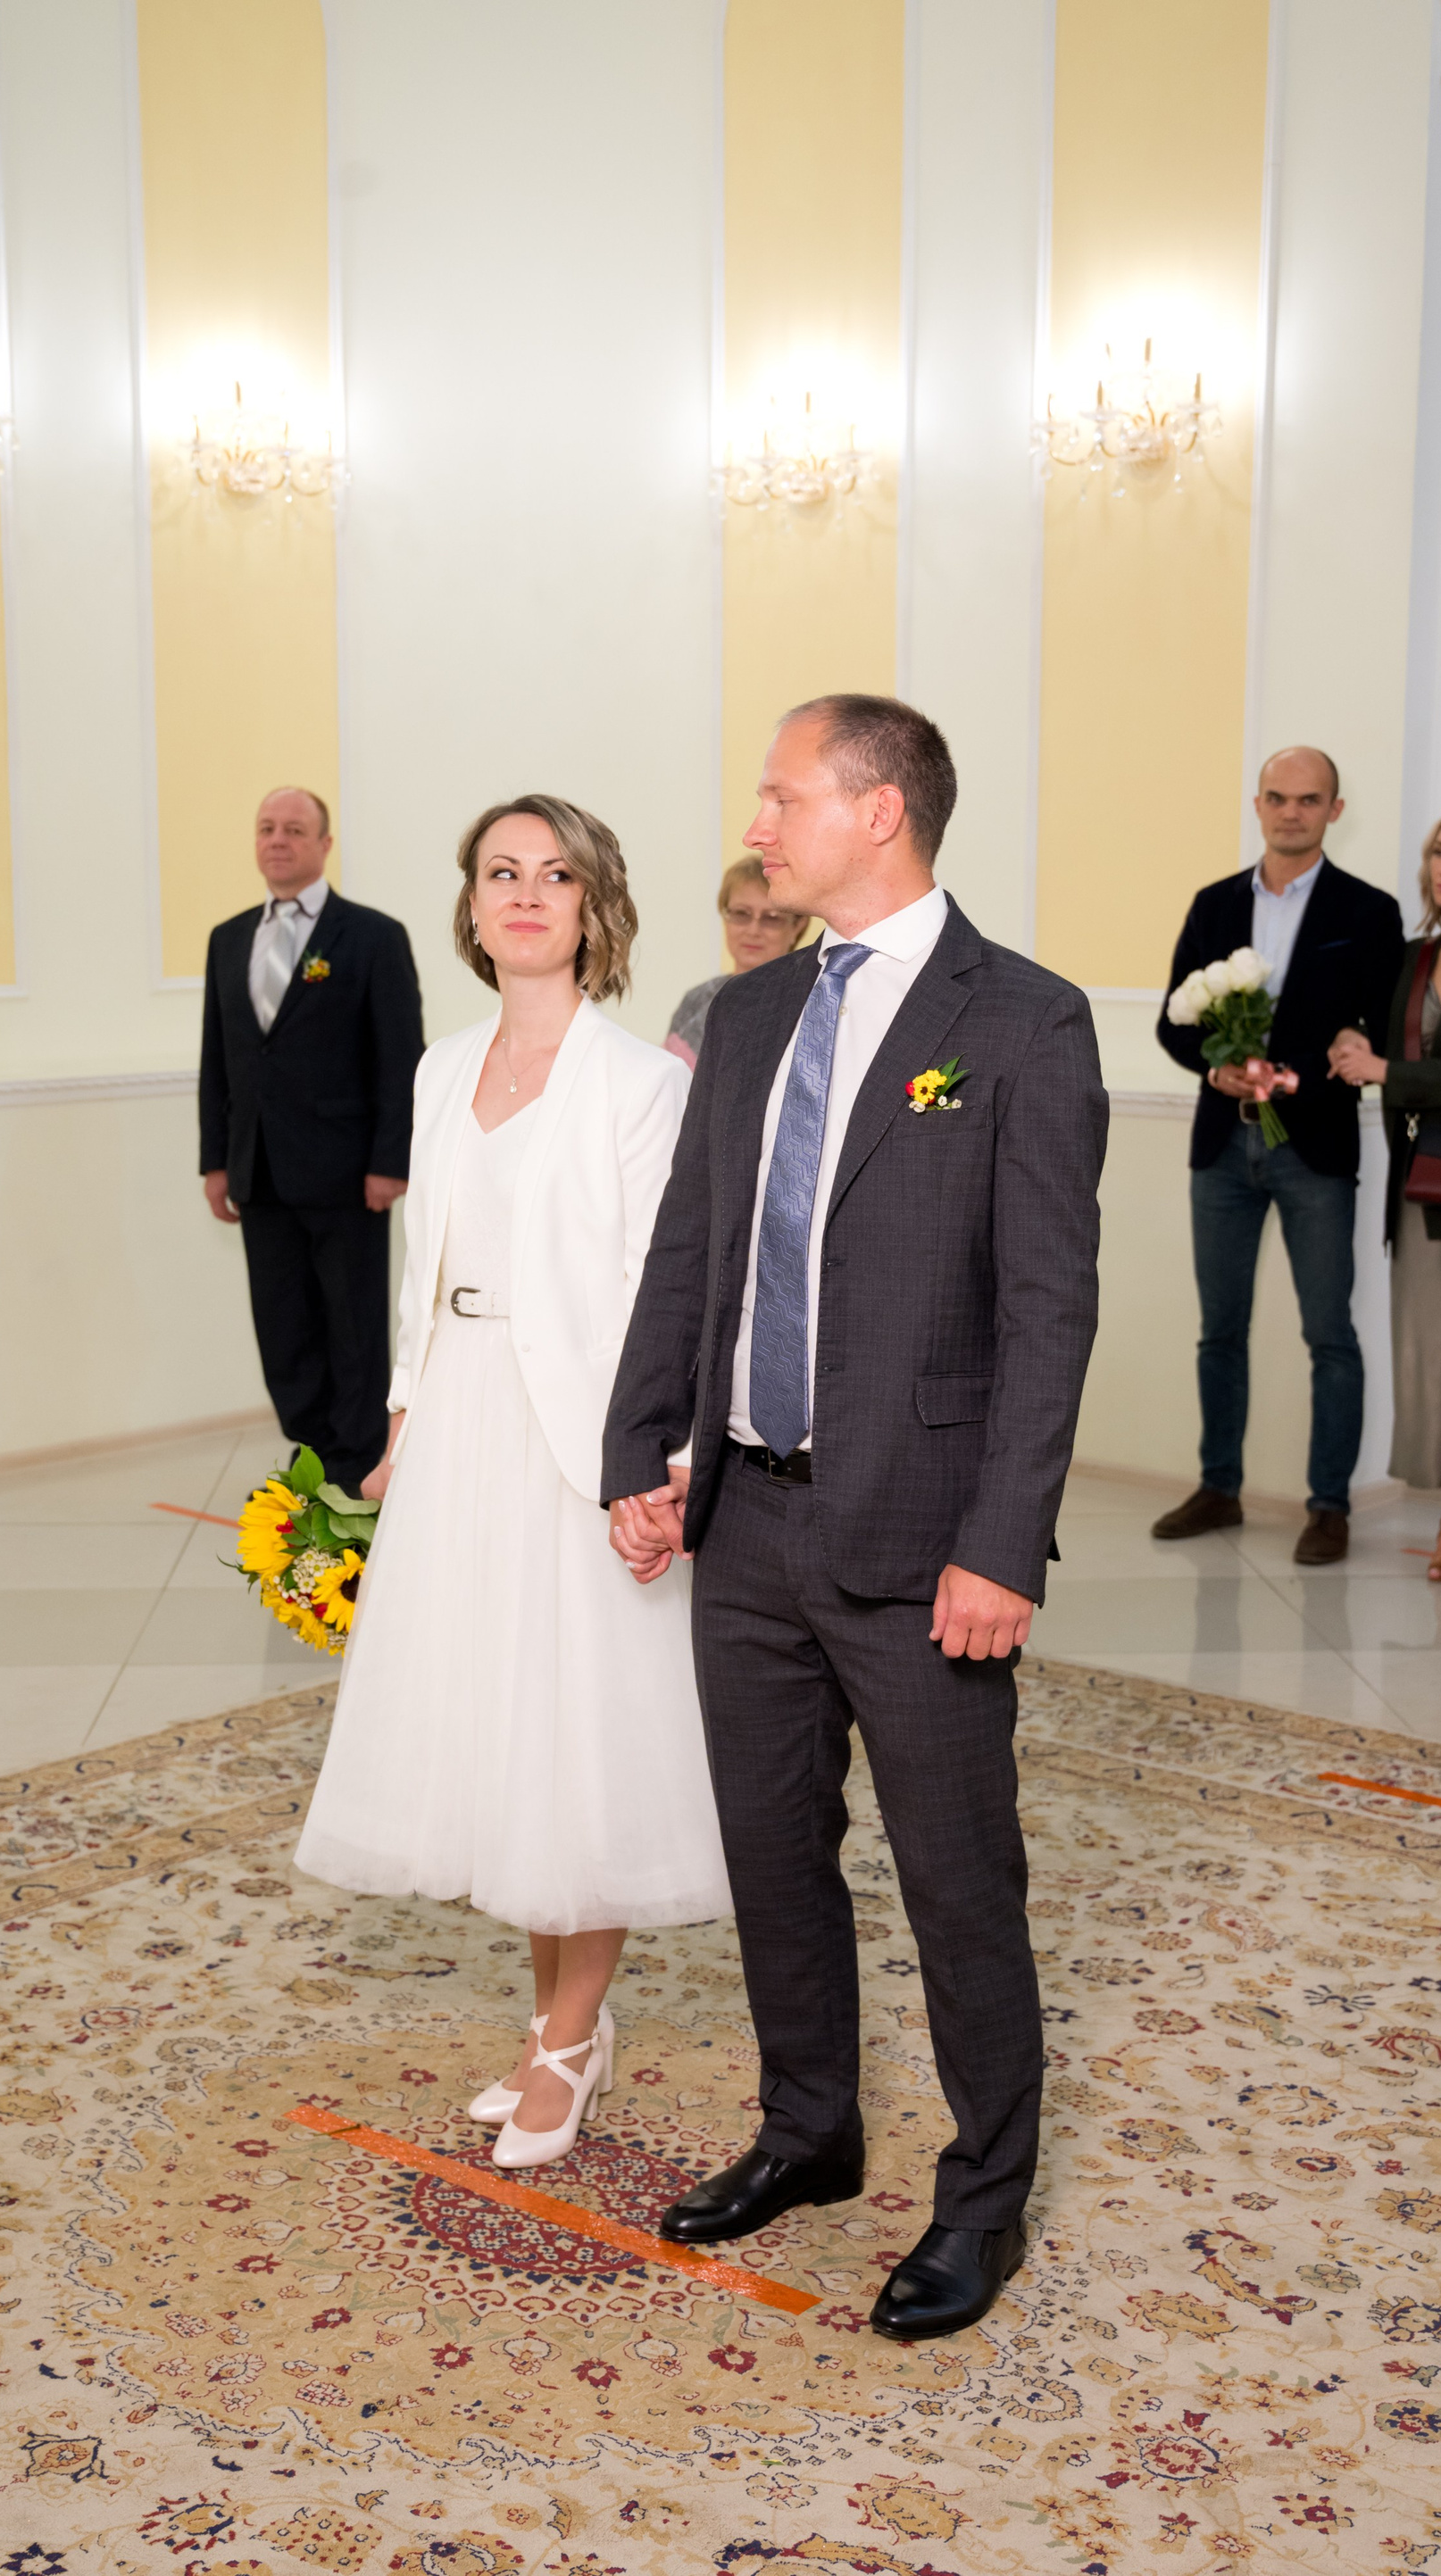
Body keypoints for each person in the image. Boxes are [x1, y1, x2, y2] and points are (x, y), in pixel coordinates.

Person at [603, 694, 1106, 2342]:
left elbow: (1049, 1310)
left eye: (783, 795)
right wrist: (640, 1448)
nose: (757, 824)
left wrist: (1003, 1542)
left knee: (959, 1883)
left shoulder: (1023, 1019)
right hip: (748, 1524)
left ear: (878, 809)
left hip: (925, 1540)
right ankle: (809, 2130)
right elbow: (692, 1249)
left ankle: (984, 2202)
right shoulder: (753, 1013)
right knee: (773, 1851)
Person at [294, 793, 729, 2170]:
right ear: (473, 909)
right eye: (501, 872)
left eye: (555, 874)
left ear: (594, 909)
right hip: (464, 1423)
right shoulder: (439, 1070)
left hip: (584, 1436)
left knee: (578, 1741)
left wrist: (661, 1464)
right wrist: (404, 1413)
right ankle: (559, 2023)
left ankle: (566, 2039)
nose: (526, 893)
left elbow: (670, 1292)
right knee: (509, 1738)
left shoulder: (642, 1083)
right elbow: (422, 1262)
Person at [1152, 748, 1404, 1566]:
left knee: (1330, 1334)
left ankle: (1329, 1506)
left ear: (1334, 811)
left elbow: (1385, 1026)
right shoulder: (1215, 903)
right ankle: (1218, 1487)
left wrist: (1330, 1054)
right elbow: (1173, 1021)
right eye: (1278, 798)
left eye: (1309, 800)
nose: (1291, 812)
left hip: (1315, 1149)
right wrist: (1215, 1067)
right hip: (1223, 1146)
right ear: (1258, 804)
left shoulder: (1370, 911)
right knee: (1219, 1330)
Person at [198, 787, 423, 1489]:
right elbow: (219, 1059)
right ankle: (311, 1454)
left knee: (352, 1328)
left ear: (325, 845)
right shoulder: (229, 938)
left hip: (347, 1176)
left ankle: (357, 1469)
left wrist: (391, 1160)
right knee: (283, 1328)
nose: (278, 840)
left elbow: (399, 1056)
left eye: (295, 829)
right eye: (266, 828)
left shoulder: (372, 936)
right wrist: (215, 1160)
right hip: (258, 1171)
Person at [1329, 806, 1441, 1580]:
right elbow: (1376, 1036)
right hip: (1421, 1181)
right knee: (1432, 1353)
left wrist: (1390, 1074)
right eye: (1440, 851)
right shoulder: (1416, 957)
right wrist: (1353, 1043)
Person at [665, 857, 810, 1066]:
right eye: (742, 914)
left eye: (771, 918)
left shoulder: (810, 1005)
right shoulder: (696, 1001)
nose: (753, 930)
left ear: (797, 926)